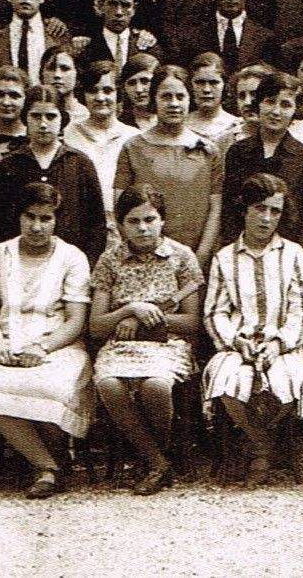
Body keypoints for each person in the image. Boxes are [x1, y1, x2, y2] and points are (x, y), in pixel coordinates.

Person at [0, 181, 93, 498]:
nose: (37, 226)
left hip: (58, 344)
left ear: (56, 220)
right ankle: (47, 466)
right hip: (5, 340)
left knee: (52, 384)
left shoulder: (72, 257)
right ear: (18, 216)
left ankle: (53, 459)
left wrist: (43, 347)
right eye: (30, 217)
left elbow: (76, 320)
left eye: (46, 218)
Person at [203, 173, 303, 483]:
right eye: (259, 209)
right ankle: (261, 445)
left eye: (275, 211)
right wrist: (236, 341)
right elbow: (215, 312)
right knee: (228, 379)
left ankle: (258, 444)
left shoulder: (294, 254)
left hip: (282, 344)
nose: (266, 218)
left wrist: (279, 343)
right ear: (244, 209)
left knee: (288, 379)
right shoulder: (224, 258)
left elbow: (302, 310)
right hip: (238, 345)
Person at [88, 185, 201, 494]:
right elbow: (97, 326)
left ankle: (151, 458)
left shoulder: (181, 257)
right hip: (120, 347)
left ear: (162, 220)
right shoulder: (110, 260)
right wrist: (130, 309)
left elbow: (192, 322)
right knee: (108, 384)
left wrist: (139, 323)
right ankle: (157, 461)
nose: (142, 228)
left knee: (156, 385)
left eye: (150, 219)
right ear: (121, 225)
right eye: (133, 221)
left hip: (168, 344)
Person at [114, 66, 224, 265]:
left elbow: (215, 209)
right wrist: (142, 253)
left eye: (180, 96)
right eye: (166, 97)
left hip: (196, 256)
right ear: (153, 100)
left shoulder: (208, 150)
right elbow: (120, 208)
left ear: (189, 99)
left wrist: (199, 258)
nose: (174, 104)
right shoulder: (133, 147)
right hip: (145, 258)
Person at [0, 87, 107, 264]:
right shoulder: (10, 165)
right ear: (26, 119)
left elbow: (95, 224)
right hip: (20, 264)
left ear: (62, 120)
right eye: (36, 116)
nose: (43, 124)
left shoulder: (79, 163)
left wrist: (85, 266)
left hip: (68, 265)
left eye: (51, 116)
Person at [219, 72, 303, 260]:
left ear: (295, 111)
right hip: (243, 254)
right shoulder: (238, 152)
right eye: (270, 101)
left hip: (288, 257)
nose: (276, 111)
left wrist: (296, 259)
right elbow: (229, 211)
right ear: (258, 104)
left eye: (285, 105)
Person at [66, 61, 139, 211]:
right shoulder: (68, 135)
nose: (100, 97)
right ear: (83, 94)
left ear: (118, 93)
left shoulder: (134, 137)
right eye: (93, 91)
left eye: (107, 90)